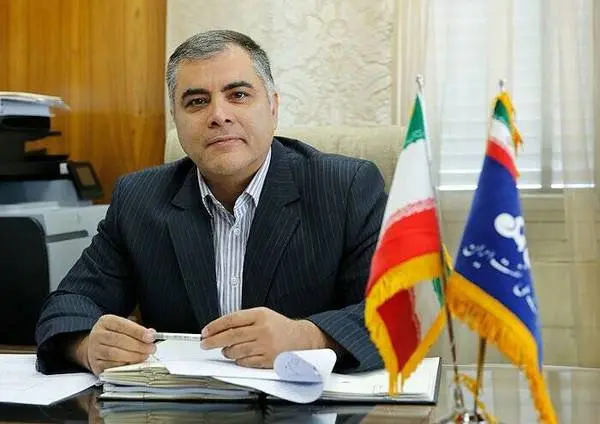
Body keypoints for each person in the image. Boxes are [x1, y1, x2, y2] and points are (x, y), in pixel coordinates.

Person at [35, 30, 387, 376]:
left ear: (273, 107)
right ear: (176, 119)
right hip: (181, 403)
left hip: (306, 401)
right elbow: (67, 306)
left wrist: (306, 337)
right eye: (197, 102)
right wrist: (87, 346)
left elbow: (396, 310)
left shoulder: (345, 188)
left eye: (238, 95)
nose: (219, 115)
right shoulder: (139, 199)